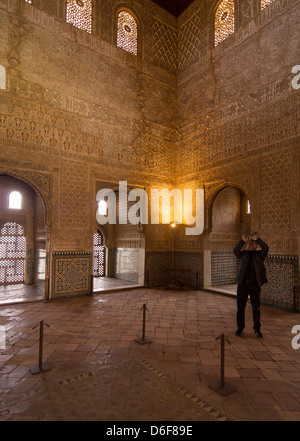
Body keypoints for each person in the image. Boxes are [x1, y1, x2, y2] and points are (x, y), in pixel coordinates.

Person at [233, 233, 269, 338]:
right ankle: (240, 328)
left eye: (252, 244)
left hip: (254, 286)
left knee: (256, 308)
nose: (250, 245)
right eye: (249, 244)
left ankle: (257, 329)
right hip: (242, 285)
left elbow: (266, 247)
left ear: (256, 246)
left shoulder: (260, 255)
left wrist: (257, 239)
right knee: (240, 308)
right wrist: (242, 241)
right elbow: (235, 251)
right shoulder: (243, 254)